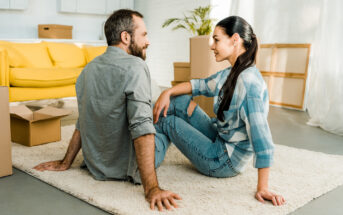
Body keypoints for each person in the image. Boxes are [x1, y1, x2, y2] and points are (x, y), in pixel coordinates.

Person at [33, 9, 181, 211]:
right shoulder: (136, 66)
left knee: (159, 103)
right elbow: (141, 127)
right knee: (175, 108)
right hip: (128, 168)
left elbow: (82, 122)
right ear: (126, 37)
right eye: (144, 35)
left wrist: (66, 161)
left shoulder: (87, 71)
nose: (148, 41)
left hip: (97, 167)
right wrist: (152, 188)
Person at [153, 16, 285, 206]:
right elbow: (200, 85)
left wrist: (262, 188)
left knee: (168, 122)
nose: (211, 45)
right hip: (220, 137)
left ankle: (143, 152)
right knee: (179, 100)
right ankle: (145, 130)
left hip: (224, 161)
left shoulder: (249, 85)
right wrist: (168, 91)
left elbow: (262, 141)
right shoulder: (231, 73)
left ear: (235, 40)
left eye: (216, 39)